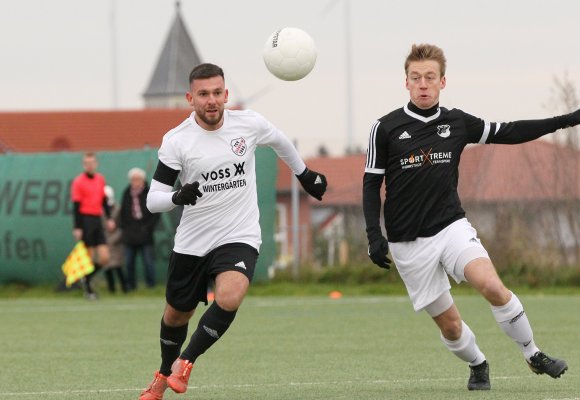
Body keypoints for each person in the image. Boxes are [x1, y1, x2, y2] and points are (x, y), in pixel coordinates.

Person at [363, 43, 579, 391]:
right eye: (415, 77)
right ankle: (478, 363)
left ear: (442, 82)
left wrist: (566, 121)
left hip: (450, 227)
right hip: (407, 244)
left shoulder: (457, 122)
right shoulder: (384, 128)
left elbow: (508, 131)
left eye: (430, 77)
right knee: (450, 327)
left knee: (492, 285)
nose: (423, 84)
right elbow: (371, 185)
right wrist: (374, 235)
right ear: (405, 82)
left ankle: (533, 353)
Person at [138, 63, 327, 400]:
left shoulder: (248, 123)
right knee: (176, 313)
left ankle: (186, 361)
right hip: (193, 242)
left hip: (238, 235)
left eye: (217, 93)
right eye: (203, 94)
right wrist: (177, 196)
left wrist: (304, 173)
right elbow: (153, 200)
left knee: (230, 295)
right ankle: (163, 374)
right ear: (190, 98)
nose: (212, 100)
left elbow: (281, 141)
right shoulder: (177, 141)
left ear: (226, 94)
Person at [71, 152, 115, 300]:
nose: (90, 165)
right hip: (85, 220)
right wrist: (77, 227)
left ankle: (85, 279)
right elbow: (76, 206)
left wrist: (109, 218)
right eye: (87, 163)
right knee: (88, 257)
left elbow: (104, 201)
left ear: (96, 164)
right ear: (84, 165)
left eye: (92, 162)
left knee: (104, 258)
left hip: (97, 219)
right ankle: (88, 290)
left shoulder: (100, 179)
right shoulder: (78, 182)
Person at [120, 167, 160, 290]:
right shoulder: (126, 193)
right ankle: (131, 286)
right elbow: (123, 213)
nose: (135, 182)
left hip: (145, 234)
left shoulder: (149, 192)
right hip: (130, 235)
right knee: (129, 263)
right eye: (133, 180)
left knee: (148, 262)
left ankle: (151, 286)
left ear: (143, 180)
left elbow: (156, 213)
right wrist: (126, 229)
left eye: (138, 179)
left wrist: (147, 228)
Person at [103, 185, 128, 293]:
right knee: (107, 267)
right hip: (104, 242)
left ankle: (124, 288)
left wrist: (114, 238)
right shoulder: (99, 210)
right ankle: (111, 289)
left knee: (117, 266)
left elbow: (122, 226)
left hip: (116, 243)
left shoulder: (118, 209)